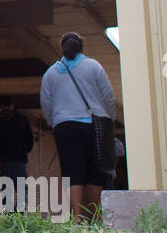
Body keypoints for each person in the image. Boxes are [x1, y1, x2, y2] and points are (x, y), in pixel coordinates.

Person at [39, 31, 117, 223]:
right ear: (82, 46)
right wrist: (110, 120)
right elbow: (108, 95)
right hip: (93, 124)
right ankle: (93, 217)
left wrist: (53, 122)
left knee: (72, 170)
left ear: (62, 48)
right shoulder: (93, 66)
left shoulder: (50, 73)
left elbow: (45, 102)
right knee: (95, 171)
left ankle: (77, 218)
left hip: (64, 126)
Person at [0, 94, 33, 210]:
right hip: (20, 158)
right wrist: (26, 150)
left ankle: (8, 210)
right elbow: (29, 137)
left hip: (5, 157)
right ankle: (21, 210)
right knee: (20, 186)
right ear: (13, 105)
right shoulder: (22, 118)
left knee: (6, 185)